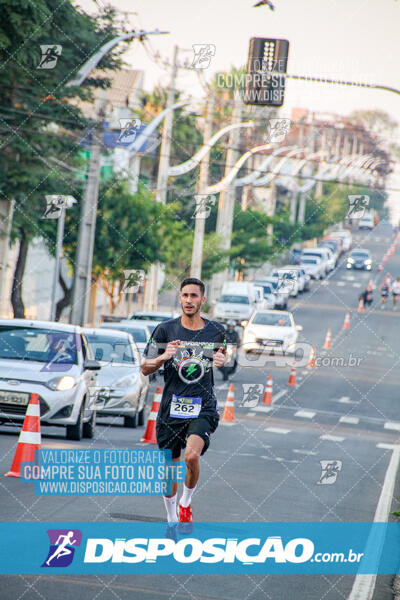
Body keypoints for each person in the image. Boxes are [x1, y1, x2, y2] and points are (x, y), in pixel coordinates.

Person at [141, 278, 226, 525]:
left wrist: (222, 361)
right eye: (185, 295)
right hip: (171, 408)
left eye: (194, 296)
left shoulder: (215, 331)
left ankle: (185, 504)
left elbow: (222, 357)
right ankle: (171, 519)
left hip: (203, 406)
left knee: (191, 457)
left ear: (203, 300)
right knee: (169, 471)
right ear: (180, 298)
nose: (189, 300)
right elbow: (145, 368)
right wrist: (163, 357)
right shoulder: (165, 330)